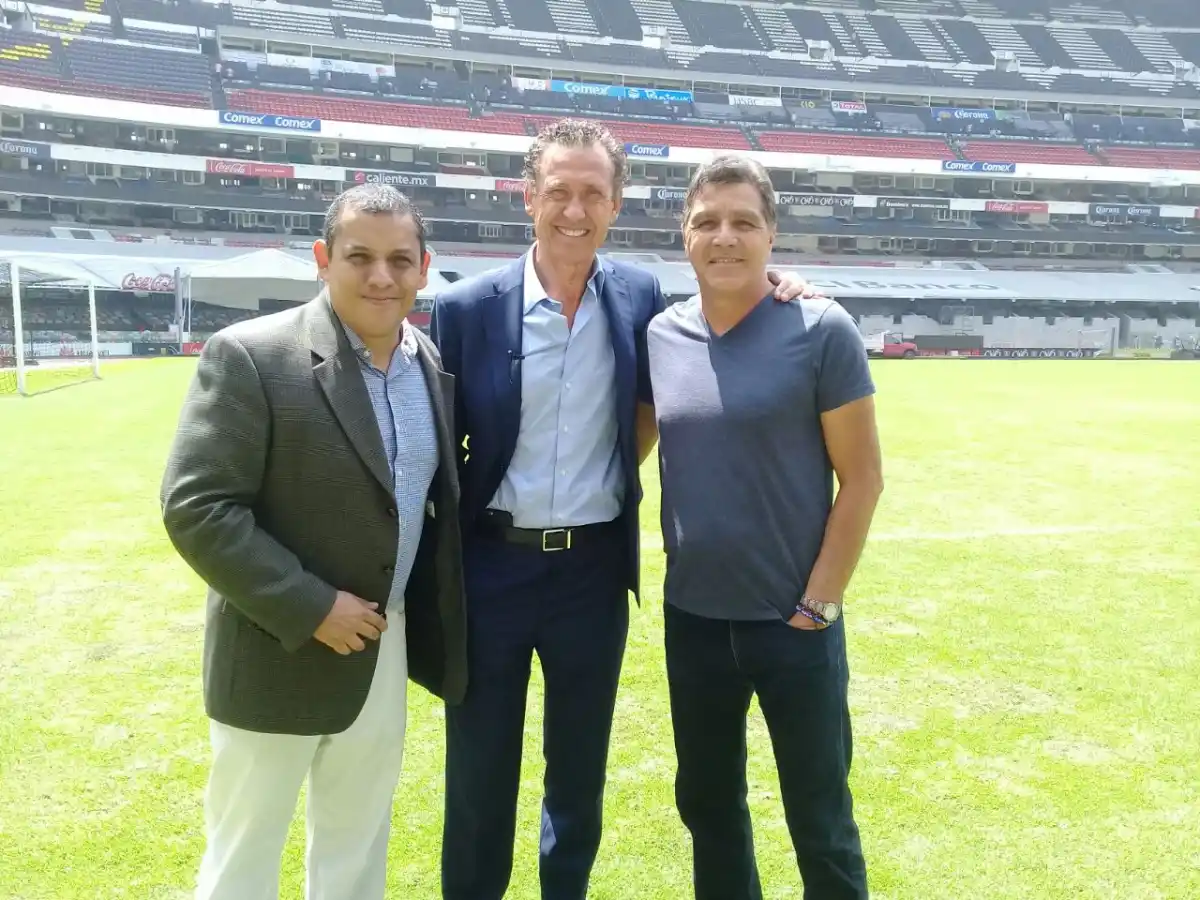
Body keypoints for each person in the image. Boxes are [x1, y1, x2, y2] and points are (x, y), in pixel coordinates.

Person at [429, 118, 817, 900]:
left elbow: (688, 357)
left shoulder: (639, 295)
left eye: (593, 194)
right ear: (528, 196)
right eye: (559, 192)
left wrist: (787, 288)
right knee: (480, 774)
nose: (575, 210)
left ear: (616, 204)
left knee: (578, 774)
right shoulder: (467, 309)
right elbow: (440, 445)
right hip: (491, 572)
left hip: (591, 575)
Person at [160, 184, 467, 900]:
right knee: (242, 859)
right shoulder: (251, 355)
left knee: (357, 852)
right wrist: (310, 606)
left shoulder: (427, 361)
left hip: (382, 654)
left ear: (425, 268)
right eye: (360, 257)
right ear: (324, 260)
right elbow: (196, 506)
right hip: (278, 651)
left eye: (400, 259)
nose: (381, 276)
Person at [647, 154, 883, 900]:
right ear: (684, 235)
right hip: (694, 622)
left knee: (819, 816)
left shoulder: (820, 329)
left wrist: (820, 600)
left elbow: (864, 478)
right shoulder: (657, 335)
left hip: (795, 623)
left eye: (743, 221)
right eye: (707, 221)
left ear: (771, 234)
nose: (725, 237)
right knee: (710, 810)